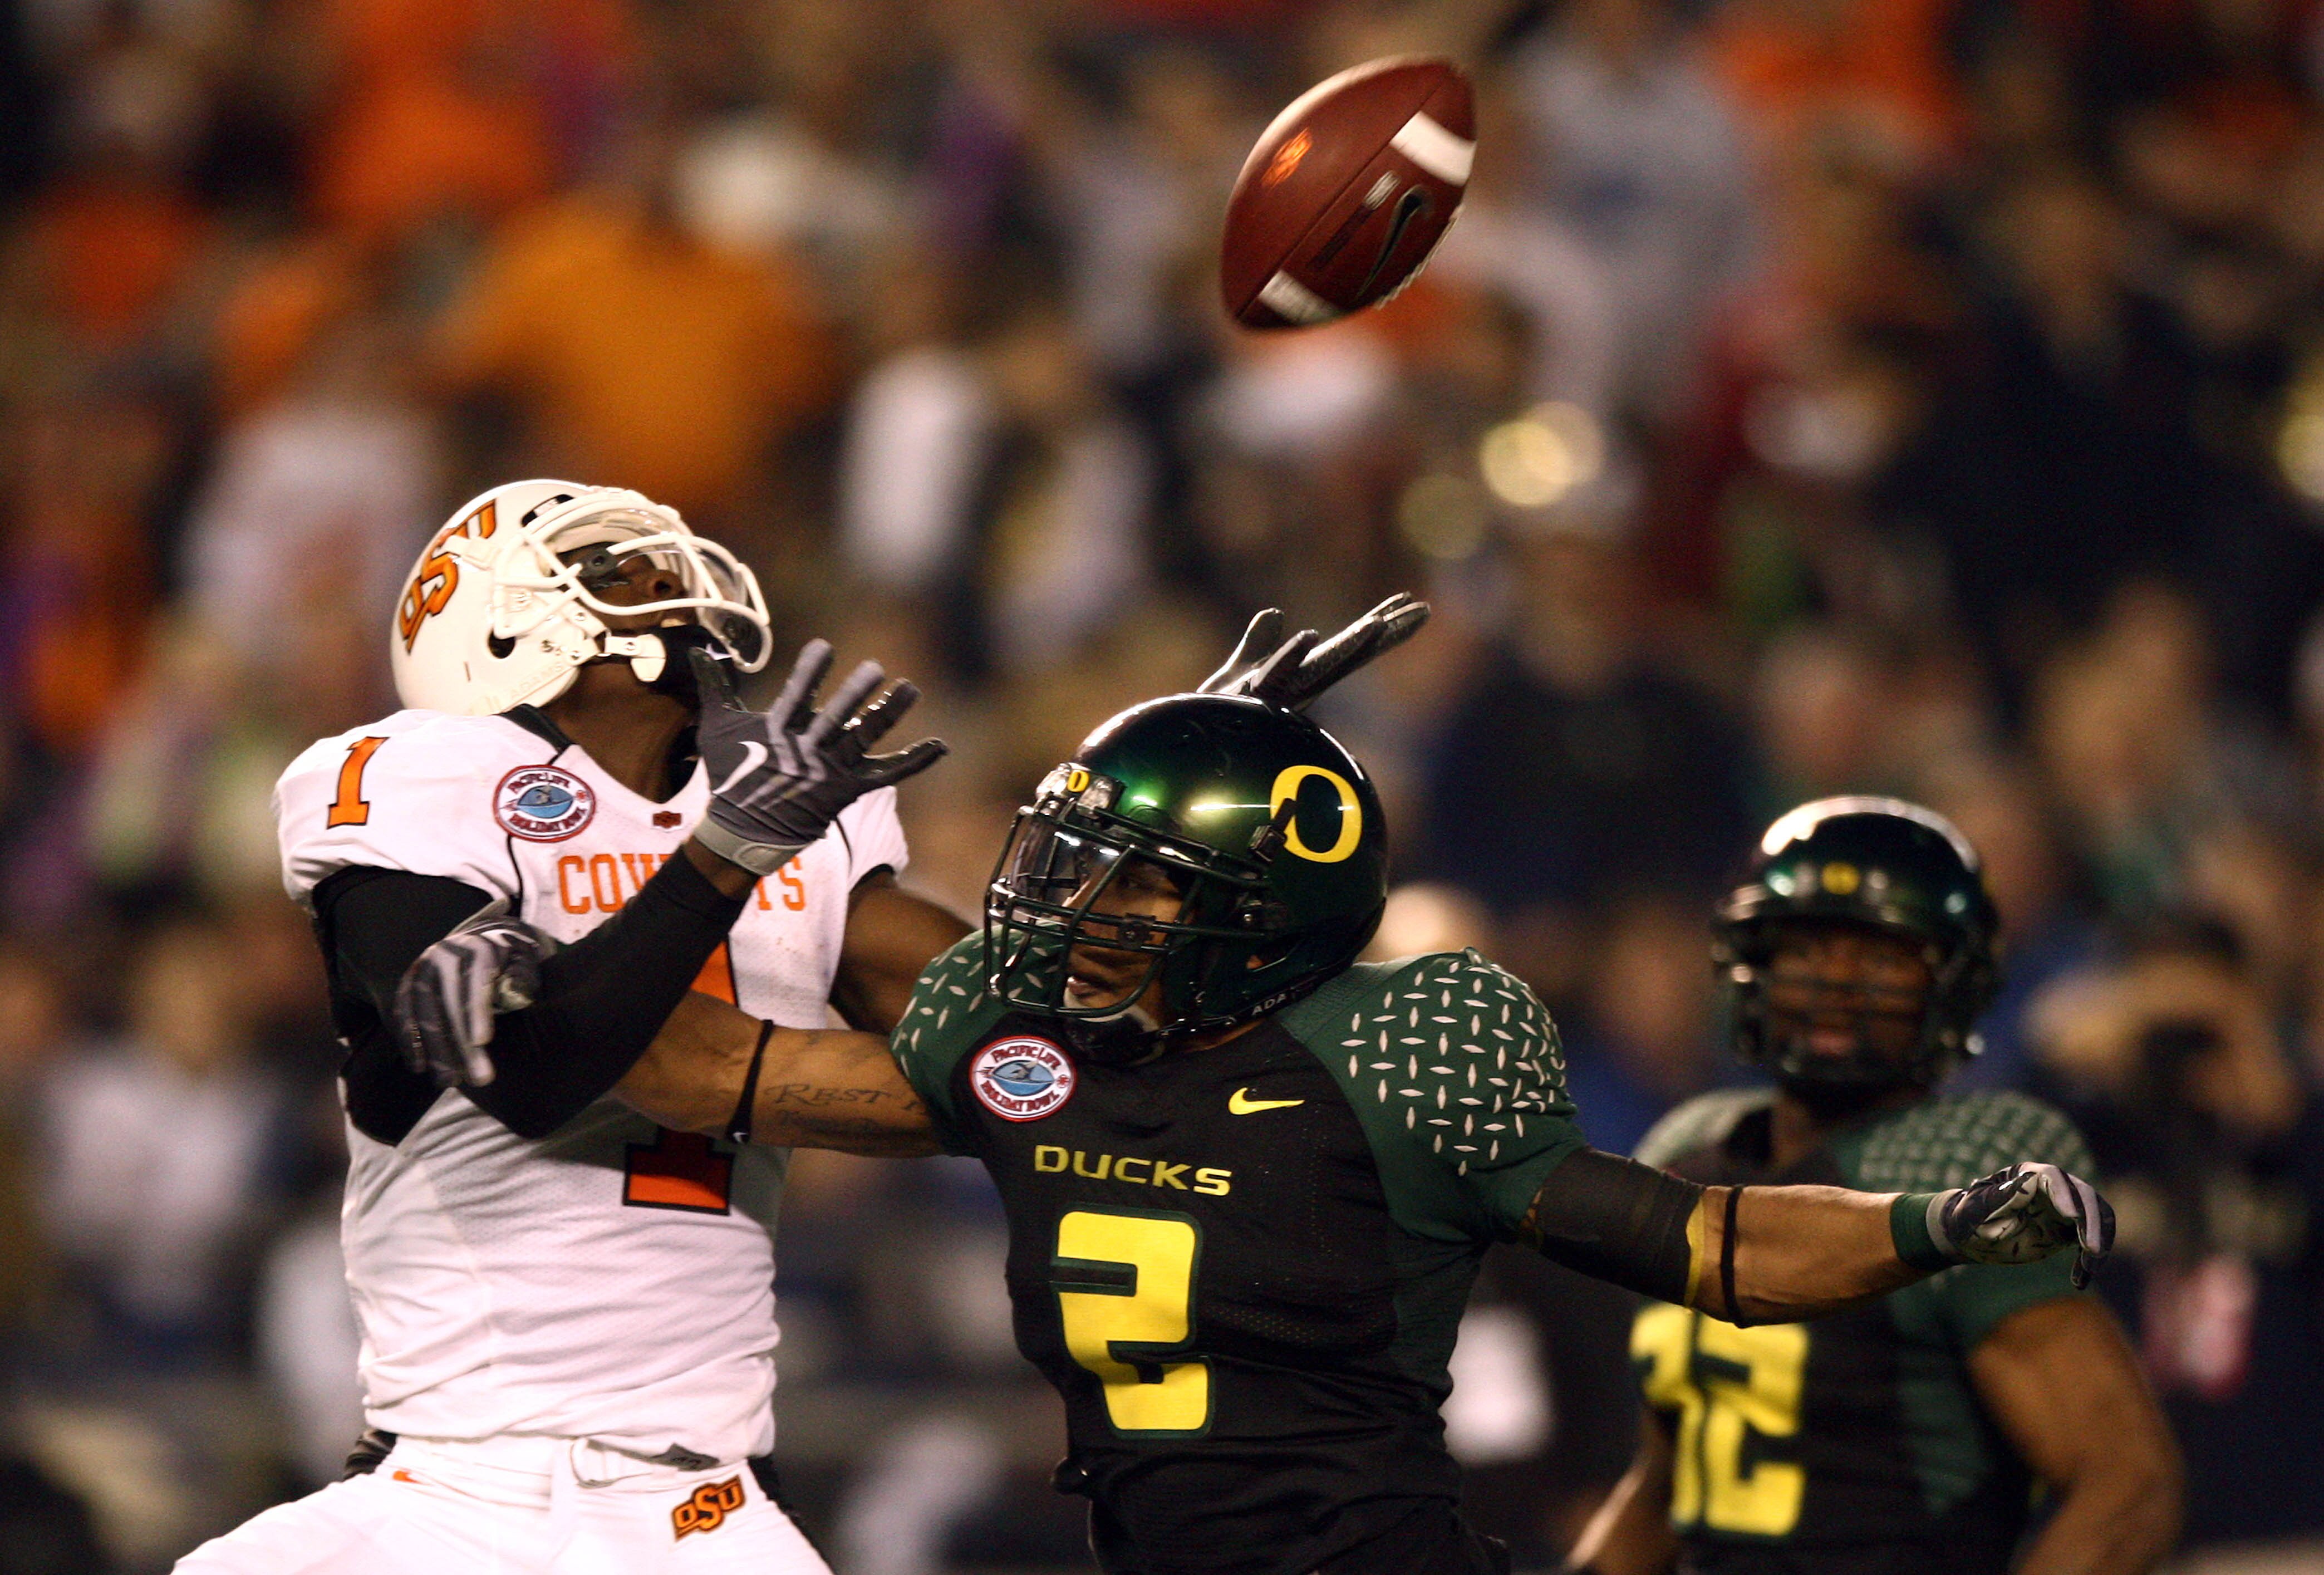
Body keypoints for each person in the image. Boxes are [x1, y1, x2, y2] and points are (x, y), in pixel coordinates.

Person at [409, 613, 2115, 1575]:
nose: (1081, 913)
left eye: (1138, 884)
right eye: (1083, 871)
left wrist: (1932, 1222)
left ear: (1252, 911)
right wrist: (501, 962)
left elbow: (1708, 1238)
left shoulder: (1398, 1052)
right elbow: (725, 1068)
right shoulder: (1028, 1054)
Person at [176, 478, 961, 1574]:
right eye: (608, 562)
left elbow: (990, 1046)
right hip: (450, 1484)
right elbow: (529, 1071)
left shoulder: (786, 801)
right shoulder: (416, 775)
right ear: (489, 624)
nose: (663, 571)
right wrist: (724, 856)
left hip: (704, 1500)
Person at [1566, 798, 2182, 1575]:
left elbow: (2128, 1486)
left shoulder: (1966, 1165)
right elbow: (1671, 1482)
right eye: (1807, 948)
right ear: (1752, 960)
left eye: (1881, 954)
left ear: (1950, 981)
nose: (1835, 980)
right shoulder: (1684, 1148)